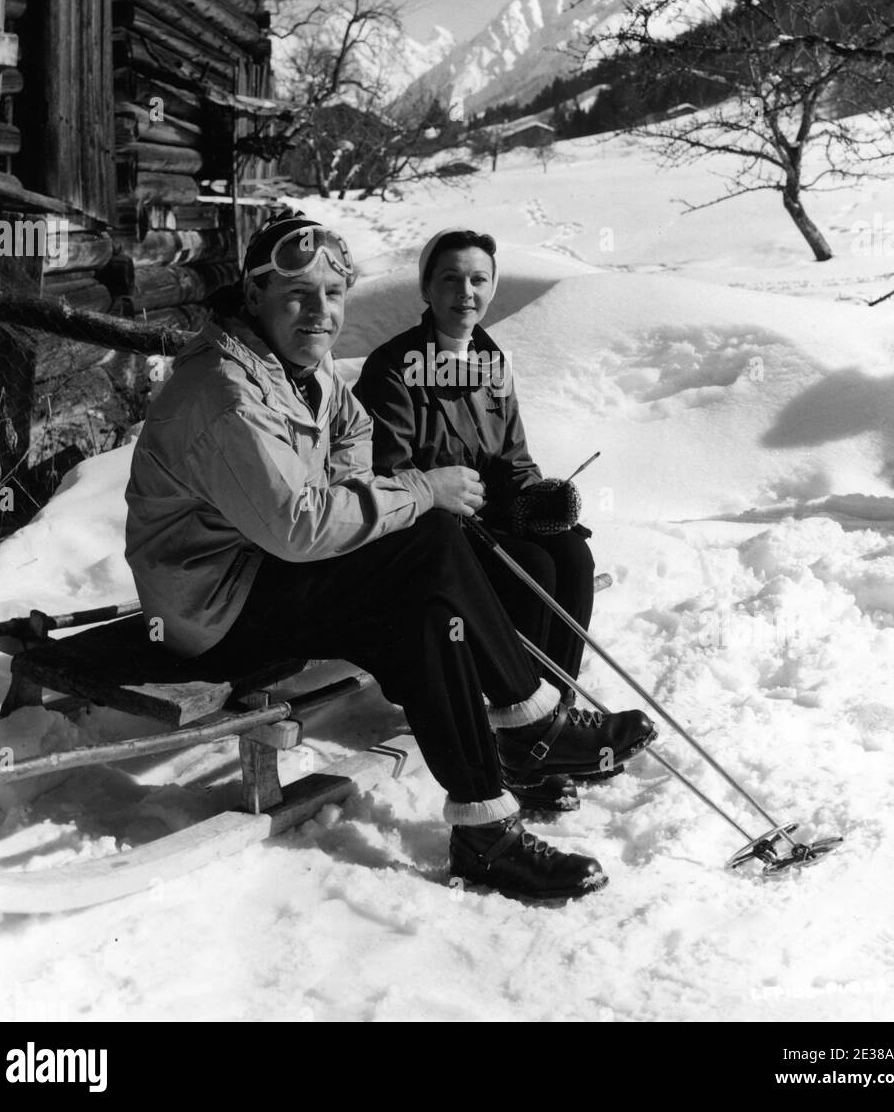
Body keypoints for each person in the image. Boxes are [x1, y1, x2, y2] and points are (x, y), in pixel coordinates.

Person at [125, 214, 654, 902]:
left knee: (428, 613)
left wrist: (374, 495)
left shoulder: (299, 370)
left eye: (334, 295)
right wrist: (420, 491)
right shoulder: (227, 393)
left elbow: (352, 438)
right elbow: (301, 525)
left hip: (262, 571)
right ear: (253, 298)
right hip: (212, 609)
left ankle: (484, 829)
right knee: (431, 537)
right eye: (297, 295)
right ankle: (531, 723)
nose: (321, 313)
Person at [354, 229, 601, 815]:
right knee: (532, 566)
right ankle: (519, 733)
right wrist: (443, 494)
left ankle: (552, 726)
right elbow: (387, 470)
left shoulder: (490, 362)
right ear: (426, 287)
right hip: (429, 529)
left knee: (570, 554)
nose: (466, 291)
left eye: (478, 279)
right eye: (451, 278)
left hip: (489, 519)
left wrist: (536, 498)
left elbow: (511, 459)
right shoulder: (393, 368)